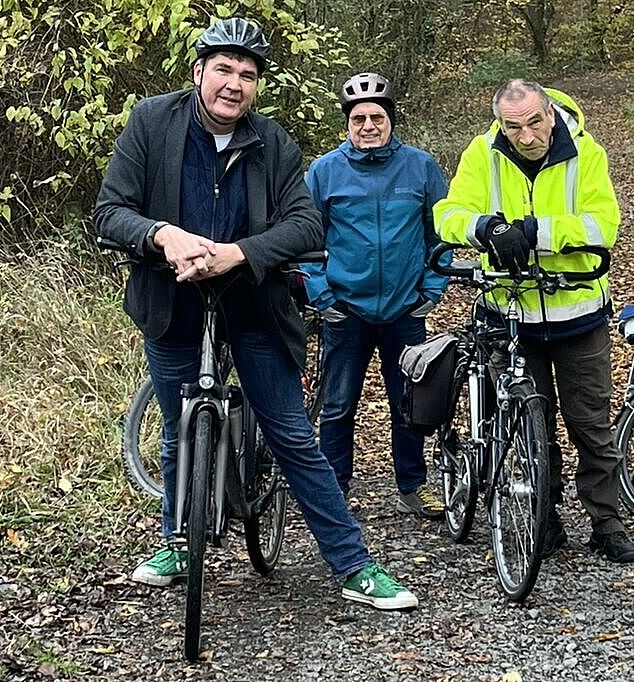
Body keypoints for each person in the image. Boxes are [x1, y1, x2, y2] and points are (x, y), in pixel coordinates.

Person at [93, 18, 417, 611]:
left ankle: (353, 565)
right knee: (178, 427)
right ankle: (177, 542)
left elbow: (306, 224)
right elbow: (111, 212)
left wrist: (238, 253)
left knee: (292, 434)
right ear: (199, 72)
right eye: (223, 69)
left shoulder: (273, 142)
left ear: (256, 86)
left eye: (246, 74)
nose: (234, 84)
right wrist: (164, 235)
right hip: (171, 302)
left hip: (253, 305)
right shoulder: (151, 123)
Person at [434, 79, 634, 563]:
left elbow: (603, 224)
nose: (526, 137)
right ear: (500, 125)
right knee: (530, 422)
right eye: (514, 128)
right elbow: (447, 214)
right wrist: (486, 227)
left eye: (534, 123)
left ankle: (606, 522)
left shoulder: (585, 153)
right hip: (509, 312)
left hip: (578, 313)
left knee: (590, 424)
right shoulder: (482, 154)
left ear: (550, 114)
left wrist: (534, 232)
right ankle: (543, 518)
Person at [303, 73, 448, 519]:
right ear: (347, 123)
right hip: (346, 309)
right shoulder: (325, 171)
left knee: (409, 402)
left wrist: (432, 288)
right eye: (359, 118)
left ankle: (413, 485)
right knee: (338, 404)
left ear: (391, 120)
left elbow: (441, 232)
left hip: (405, 308)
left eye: (377, 117)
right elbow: (305, 239)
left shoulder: (421, 167)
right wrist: (322, 294)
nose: (368, 126)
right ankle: (334, 489)